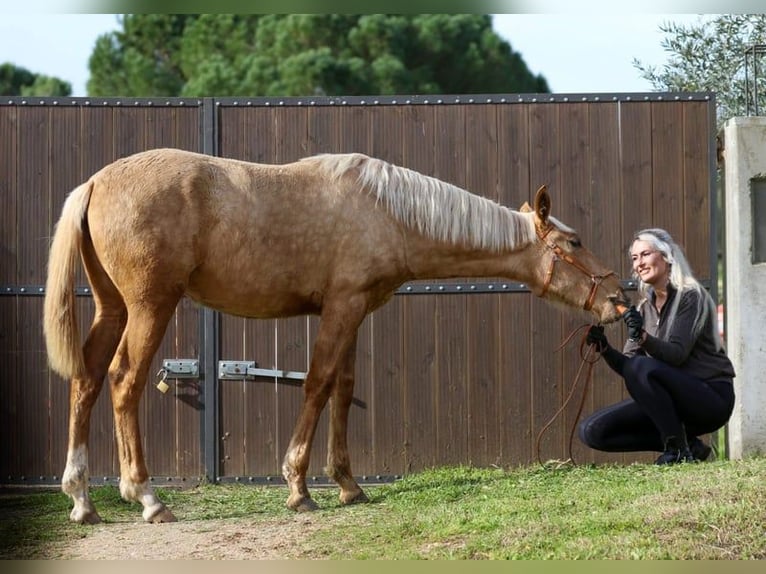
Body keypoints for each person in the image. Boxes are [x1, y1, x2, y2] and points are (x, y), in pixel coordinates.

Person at [579, 228, 736, 465]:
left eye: (645, 254)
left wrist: (642, 338)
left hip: (711, 397)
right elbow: (630, 369)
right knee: (592, 430)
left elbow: (676, 355)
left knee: (642, 366)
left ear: (666, 256)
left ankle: (678, 451)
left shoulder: (691, 297)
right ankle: (688, 445)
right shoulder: (644, 308)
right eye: (634, 258)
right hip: (673, 402)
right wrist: (605, 349)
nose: (639, 263)